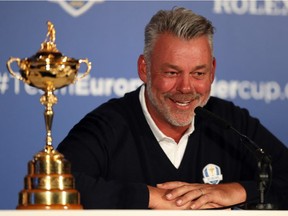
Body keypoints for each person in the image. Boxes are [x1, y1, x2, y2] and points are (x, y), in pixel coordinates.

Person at [57, 7, 288, 209]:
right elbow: (57, 184)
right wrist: (151, 197)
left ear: (213, 72)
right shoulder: (107, 126)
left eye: (198, 73)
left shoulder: (230, 123)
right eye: (172, 72)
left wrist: (235, 192)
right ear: (143, 69)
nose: (186, 88)